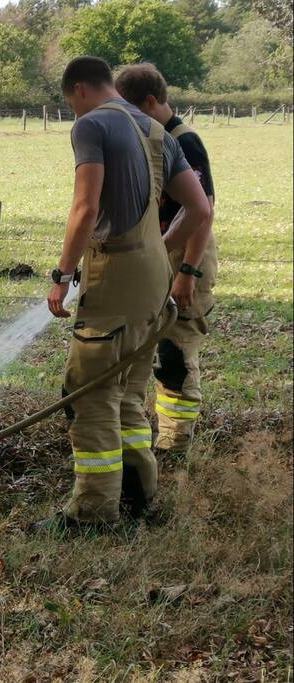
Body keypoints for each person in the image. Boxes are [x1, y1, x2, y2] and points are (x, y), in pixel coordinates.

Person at [37, 56, 212, 531]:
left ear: (78, 91)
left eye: (71, 102)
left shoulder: (91, 125)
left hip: (114, 275)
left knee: (88, 390)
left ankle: (92, 513)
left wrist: (62, 273)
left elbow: (86, 205)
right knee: (130, 388)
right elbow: (198, 208)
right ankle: (138, 492)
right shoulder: (156, 131)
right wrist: (159, 249)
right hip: (155, 276)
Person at [115, 63, 218, 456]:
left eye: (133, 112)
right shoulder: (151, 138)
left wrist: (188, 273)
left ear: (152, 102)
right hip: (158, 253)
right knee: (143, 349)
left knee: (175, 351)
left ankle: (174, 447)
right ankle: (140, 445)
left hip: (187, 255)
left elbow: (202, 211)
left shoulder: (184, 141)